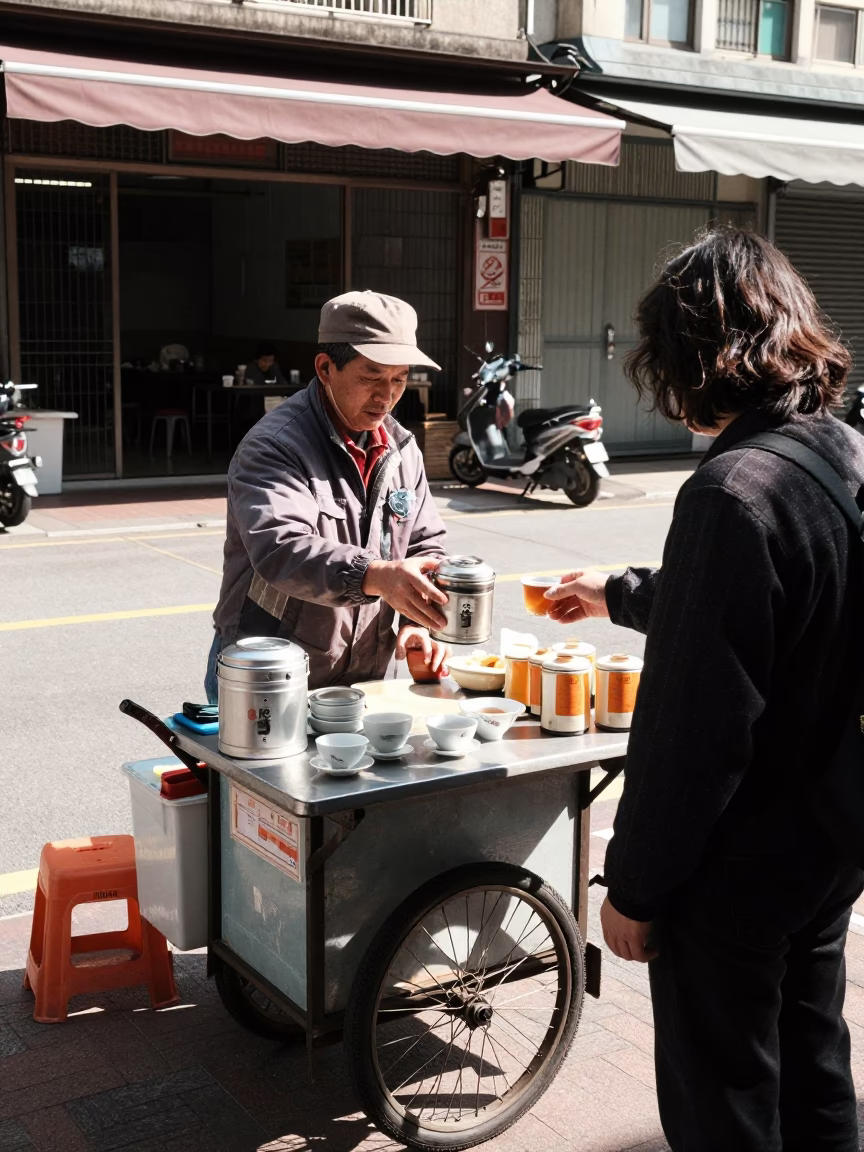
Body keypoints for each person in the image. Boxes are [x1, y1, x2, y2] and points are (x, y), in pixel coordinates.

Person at [544, 230, 864, 1152]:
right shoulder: (836, 451)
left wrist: (634, 891)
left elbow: (695, 729)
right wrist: (622, 592)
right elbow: (788, 611)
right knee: (811, 1058)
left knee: (722, 1094)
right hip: (831, 834)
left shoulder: (731, 490)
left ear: (688, 356)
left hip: (738, 867)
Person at [206, 290, 450, 698]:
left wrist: (415, 622)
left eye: (399, 379)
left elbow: (426, 543)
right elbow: (281, 549)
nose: (386, 396)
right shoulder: (276, 446)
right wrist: (376, 574)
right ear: (325, 368)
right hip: (270, 673)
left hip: (369, 676)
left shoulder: (401, 447)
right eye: (372, 376)